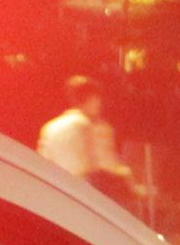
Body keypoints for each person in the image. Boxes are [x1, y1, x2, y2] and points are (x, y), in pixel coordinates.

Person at [36, 75, 136, 210]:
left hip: (56, 196)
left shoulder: (50, 128)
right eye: (98, 100)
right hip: (83, 198)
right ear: (92, 99)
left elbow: (42, 163)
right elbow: (107, 162)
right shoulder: (88, 126)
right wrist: (133, 183)